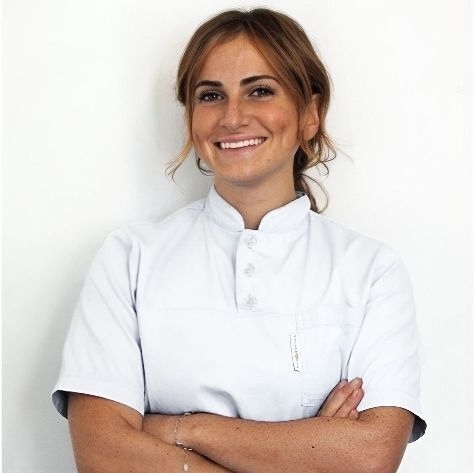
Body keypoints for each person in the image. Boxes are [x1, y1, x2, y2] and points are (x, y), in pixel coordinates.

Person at [52, 8, 426, 473]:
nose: (232, 117)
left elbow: (369, 456)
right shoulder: (130, 257)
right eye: (211, 96)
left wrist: (182, 428)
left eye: (260, 90)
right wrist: (308, 448)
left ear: (311, 114)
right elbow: (102, 454)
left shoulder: (371, 269)